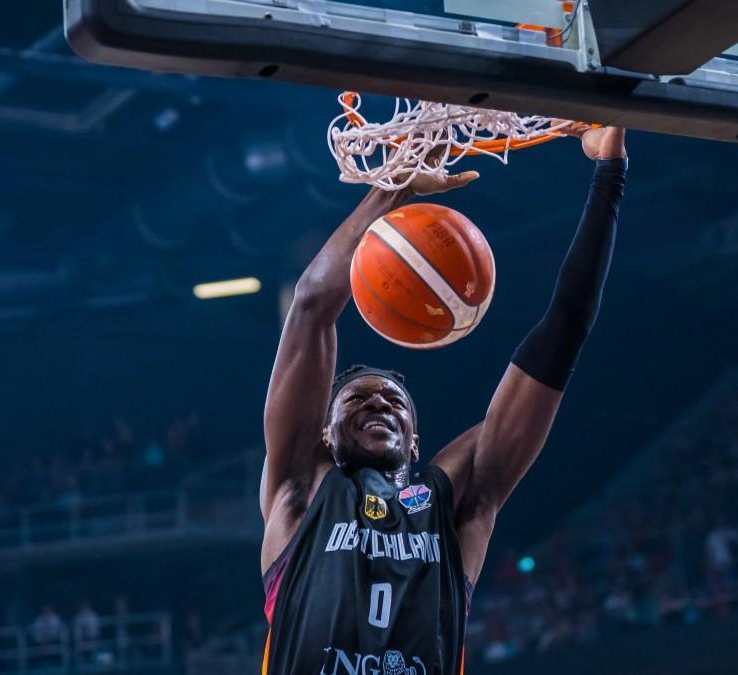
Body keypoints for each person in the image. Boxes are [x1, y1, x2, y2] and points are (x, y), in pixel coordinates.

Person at [258, 125, 628, 675]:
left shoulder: (455, 503)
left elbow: (564, 333)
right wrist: (396, 184)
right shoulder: (300, 489)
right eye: (357, 399)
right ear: (324, 433)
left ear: (415, 440)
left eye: (394, 401)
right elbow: (312, 305)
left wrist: (608, 175)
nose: (379, 403)